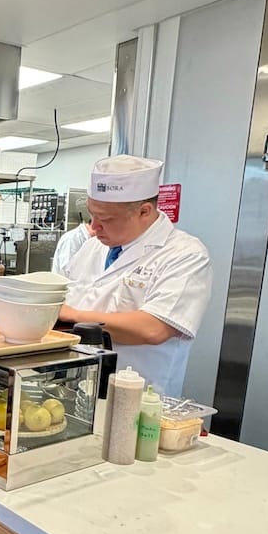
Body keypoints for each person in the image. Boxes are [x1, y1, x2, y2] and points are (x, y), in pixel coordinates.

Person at [59, 155, 212, 397]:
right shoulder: (92, 246)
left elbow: (153, 328)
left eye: (106, 219)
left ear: (144, 211)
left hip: (141, 398)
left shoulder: (185, 254)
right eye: (92, 214)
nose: (94, 226)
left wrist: (73, 316)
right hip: (79, 389)